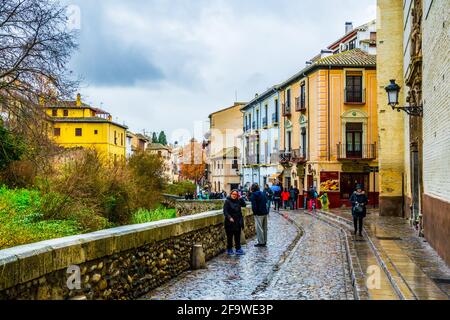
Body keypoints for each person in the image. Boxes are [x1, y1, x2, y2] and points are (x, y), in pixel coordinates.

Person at [223, 189, 247, 255]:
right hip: (229, 222)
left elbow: (244, 205)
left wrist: (241, 198)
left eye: (236, 194)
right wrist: (229, 217)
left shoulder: (238, 200)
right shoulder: (227, 201)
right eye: (233, 194)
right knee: (229, 236)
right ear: (231, 194)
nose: (234, 195)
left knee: (237, 236)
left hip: (238, 221)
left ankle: (238, 249)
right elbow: (225, 211)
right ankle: (229, 249)